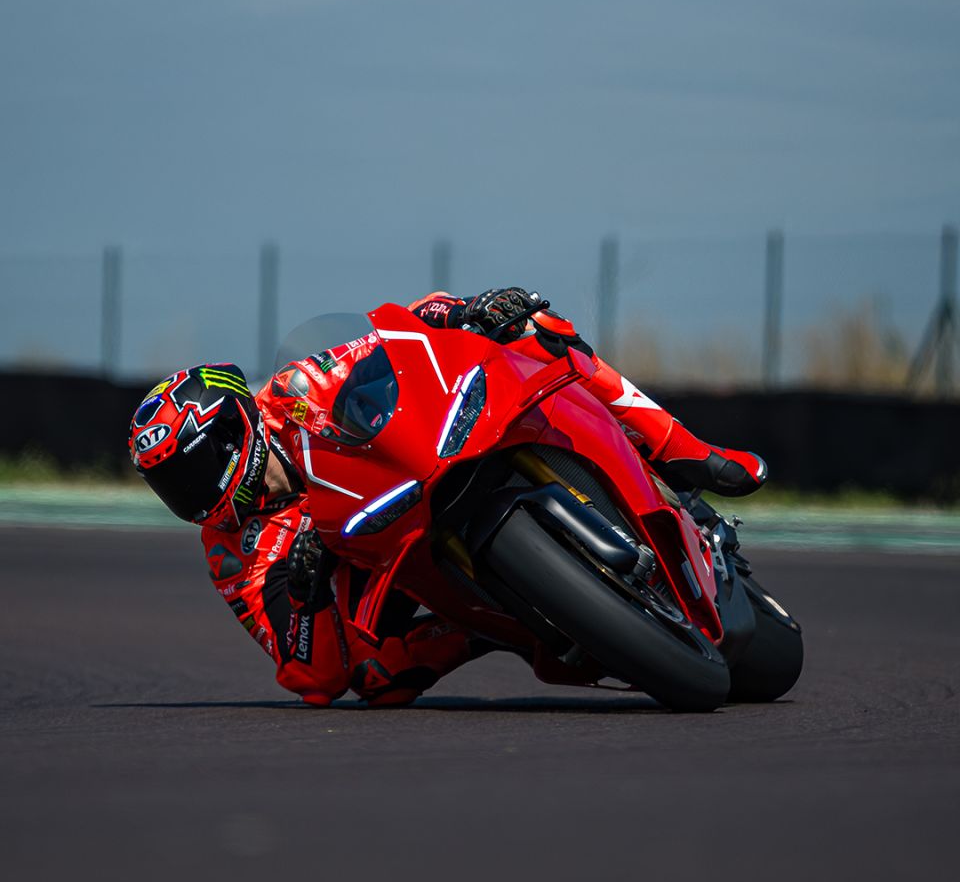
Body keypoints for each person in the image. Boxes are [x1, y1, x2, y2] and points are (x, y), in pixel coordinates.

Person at [128, 288, 766, 707]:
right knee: (376, 680)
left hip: (419, 465)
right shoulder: (230, 553)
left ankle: (683, 448)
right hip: (385, 559)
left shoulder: (298, 387)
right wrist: (304, 589)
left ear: (234, 425)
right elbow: (312, 676)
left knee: (533, 329)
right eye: (174, 485)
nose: (194, 492)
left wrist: (461, 311)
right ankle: (498, 622)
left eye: (196, 467)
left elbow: (395, 336)